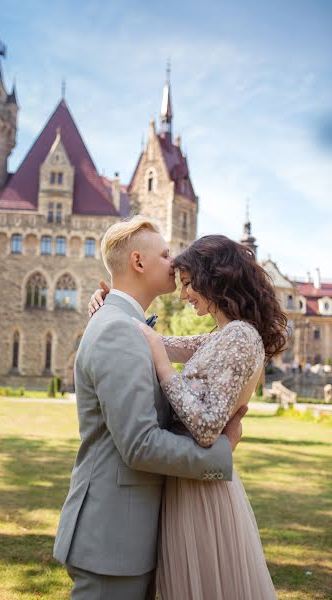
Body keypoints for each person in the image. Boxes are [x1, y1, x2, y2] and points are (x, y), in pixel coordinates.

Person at [53, 216, 245, 600]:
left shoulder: (124, 323)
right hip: (112, 538)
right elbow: (140, 443)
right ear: (138, 262)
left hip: (127, 532)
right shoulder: (116, 329)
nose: (174, 263)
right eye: (165, 254)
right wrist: (222, 450)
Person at [89, 233, 287, 600]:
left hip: (203, 494)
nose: (183, 294)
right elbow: (157, 341)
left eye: (189, 285)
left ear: (215, 279)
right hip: (188, 482)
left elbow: (207, 426)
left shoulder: (242, 336)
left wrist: (165, 370)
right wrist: (112, 309)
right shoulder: (222, 335)